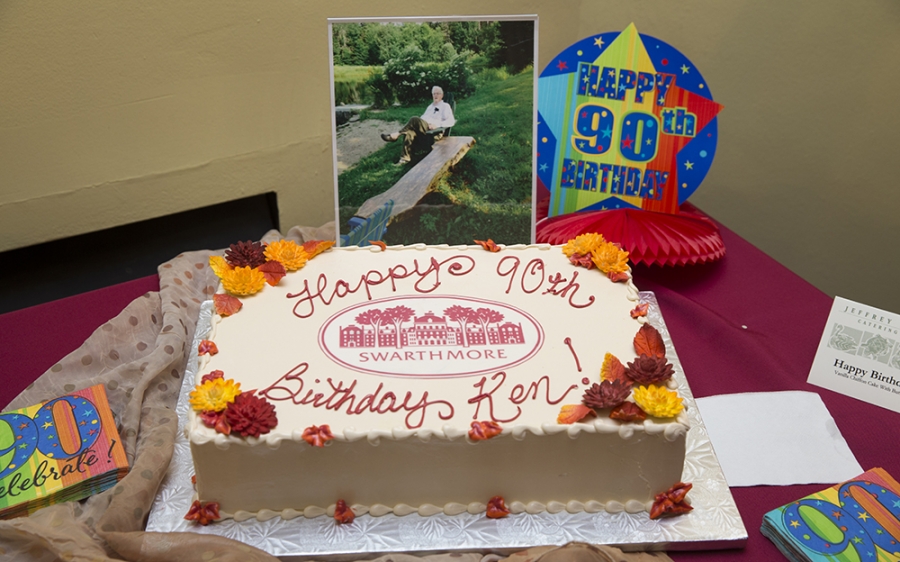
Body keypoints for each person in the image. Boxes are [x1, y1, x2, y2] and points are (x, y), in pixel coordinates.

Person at [381, 85, 455, 165]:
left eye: (438, 93)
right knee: (409, 133)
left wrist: (437, 125)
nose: (436, 95)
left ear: (442, 95)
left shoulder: (445, 106)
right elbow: (423, 118)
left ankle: (396, 134)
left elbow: (451, 121)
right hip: (424, 130)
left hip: (434, 132)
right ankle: (405, 158)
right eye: (434, 94)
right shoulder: (430, 107)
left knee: (414, 119)